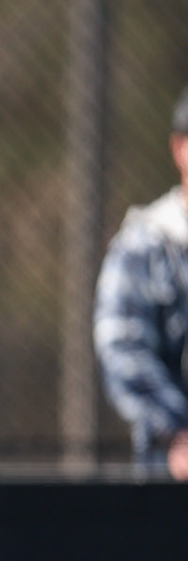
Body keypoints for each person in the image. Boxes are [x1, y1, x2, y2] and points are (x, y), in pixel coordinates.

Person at [96, 86, 188, 480]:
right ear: (179, 147)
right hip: (170, 478)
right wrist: (177, 434)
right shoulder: (147, 244)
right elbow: (123, 347)